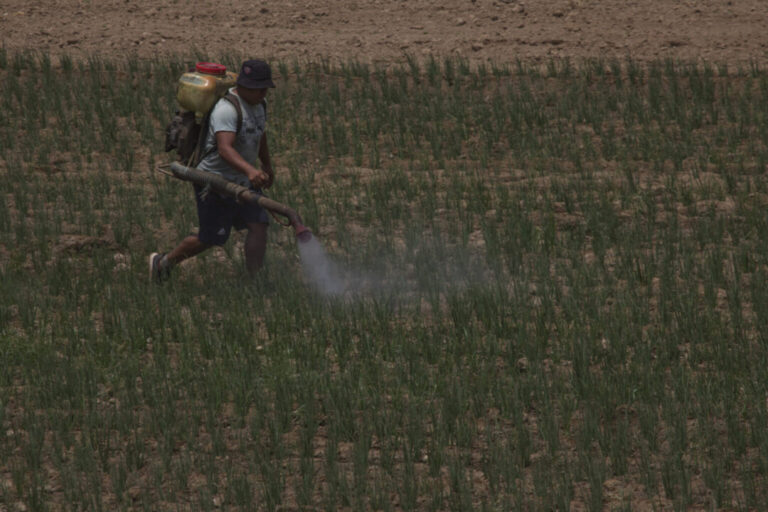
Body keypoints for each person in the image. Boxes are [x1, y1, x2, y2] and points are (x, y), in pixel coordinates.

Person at [150, 59, 276, 282]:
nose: (264, 93)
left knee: (259, 225)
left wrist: (266, 165)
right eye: (259, 89)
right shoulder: (227, 109)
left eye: (265, 88)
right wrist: (250, 171)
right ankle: (163, 263)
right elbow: (225, 149)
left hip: (242, 180)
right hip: (214, 182)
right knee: (211, 238)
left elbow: (260, 133)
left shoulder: (260, 104)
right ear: (244, 86)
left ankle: (254, 282)